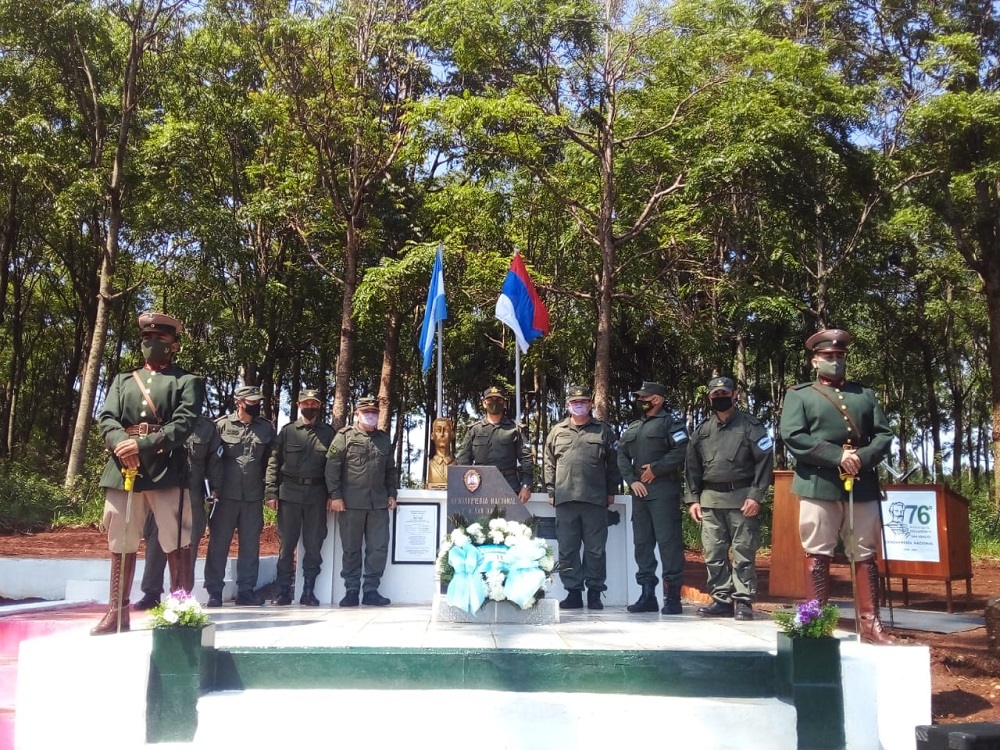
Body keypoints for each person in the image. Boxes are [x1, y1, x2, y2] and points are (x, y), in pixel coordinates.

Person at [779, 328, 895, 644]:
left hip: (863, 483)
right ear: (815, 361)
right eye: (829, 357)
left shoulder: (865, 395)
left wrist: (862, 457)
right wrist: (837, 456)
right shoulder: (800, 395)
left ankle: (870, 625)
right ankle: (816, 624)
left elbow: (884, 434)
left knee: (865, 553)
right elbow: (793, 435)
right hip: (819, 484)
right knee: (818, 552)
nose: (835, 361)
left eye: (840, 356)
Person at [92, 311, 204, 635]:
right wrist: (121, 444)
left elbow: (182, 425)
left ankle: (180, 609)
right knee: (119, 539)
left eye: (160, 340)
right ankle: (117, 612)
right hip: (122, 468)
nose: (152, 344)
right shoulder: (122, 381)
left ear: (175, 346)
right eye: (147, 339)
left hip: (165, 468)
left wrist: (140, 446)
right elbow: (107, 419)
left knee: (176, 539)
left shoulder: (187, 381)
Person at [685, 376, 774, 621]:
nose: (720, 398)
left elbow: (765, 461)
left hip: (741, 500)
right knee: (713, 552)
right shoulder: (702, 430)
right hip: (710, 500)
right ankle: (721, 599)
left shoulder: (750, 426)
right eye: (715, 395)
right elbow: (691, 467)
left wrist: (756, 496)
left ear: (734, 395)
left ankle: (743, 600)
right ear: (709, 398)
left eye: (724, 393)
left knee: (743, 552)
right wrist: (693, 499)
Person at [543, 385, 621, 610]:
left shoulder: (603, 431)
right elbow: (549, 461)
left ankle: (595, 593)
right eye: (574, 402)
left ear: (590, 404)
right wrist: (550, 490)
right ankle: (573, 592)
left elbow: (613, 462)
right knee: (568, 549)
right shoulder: (557, 431)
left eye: (583, 402)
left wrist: (611, 491)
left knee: (595, 549)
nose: (579, 405)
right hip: (565, 499)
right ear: (568, 406)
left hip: (595, 499)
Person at [133, 414, 222, 610]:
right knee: (157, 543)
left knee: (187, 547)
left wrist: (214, 487)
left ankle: (182, 595)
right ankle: (151, 593)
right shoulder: (163, 417)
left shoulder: (207, 427)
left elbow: (214, 460)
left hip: (193, 495)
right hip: (163, 491)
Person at [617, 381, 690, 615]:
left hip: (663, 492)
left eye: (644, 397)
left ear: (656, 399)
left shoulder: (672, 423)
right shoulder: (634, 427)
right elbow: (621, 454)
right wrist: (632, 480)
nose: (639, 401)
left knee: (668, 544)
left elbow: (681, 450)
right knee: (642, 545)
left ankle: (672, 597)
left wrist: (656, 469)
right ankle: (647, 594)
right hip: (640, 493)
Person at [204, 385, 276, 607]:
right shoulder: (221, 426)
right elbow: (212, 461)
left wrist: (270, 491)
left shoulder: (266, 429)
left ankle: (246, 590)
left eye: (257, 402)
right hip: (225, 497)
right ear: (240, 402)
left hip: (252, 498)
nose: (255, 405)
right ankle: (214, 591)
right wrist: (212, 489)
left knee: (250, 546)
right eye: (251, 402)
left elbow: (271, 462)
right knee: (218, 545)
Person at [325, 396, 398, 607]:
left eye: (374, 412)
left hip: (378, 504)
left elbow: (390, 471)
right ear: (356, 414)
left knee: (378, 548)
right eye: (366, 412)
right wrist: (335, 495)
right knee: (351, 549)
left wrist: (392, 494)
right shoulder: (344, 436)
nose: (371, 416)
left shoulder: (383, 439)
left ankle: (371, 591)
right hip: (351, 504)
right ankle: (351, 590)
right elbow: (332, 467)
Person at [265, 389, 335, 606]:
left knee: (314, 545)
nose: (310, 407)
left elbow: (333, 467)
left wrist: (333, 495)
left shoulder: (329, 433)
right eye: (306, 403)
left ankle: (308, 591)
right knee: (287, 546)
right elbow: (273, 462)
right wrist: (270, 491)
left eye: (314, 404)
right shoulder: (287, 432)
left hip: (317, 495)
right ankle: (283, 591)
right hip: (290, 494)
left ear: (320, 406)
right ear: (298, 404)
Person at [456, 386, 533, 501]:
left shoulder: (515, 429)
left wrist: (526, 485)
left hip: (509, 487)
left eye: (498, 400)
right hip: (480, 487)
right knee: (480, 519)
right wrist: (466, 485)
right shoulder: (474, 430)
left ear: (504, 404)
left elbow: (526, 459)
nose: (494, 403)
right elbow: (463, 460)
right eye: (490, 400)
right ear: (484, 403)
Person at [426, 417, 457, 487]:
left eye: (446, 430)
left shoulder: (456, 465)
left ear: (452, 435)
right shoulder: (431, 464)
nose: (442, 434)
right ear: (432, 435)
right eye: (438, 430)